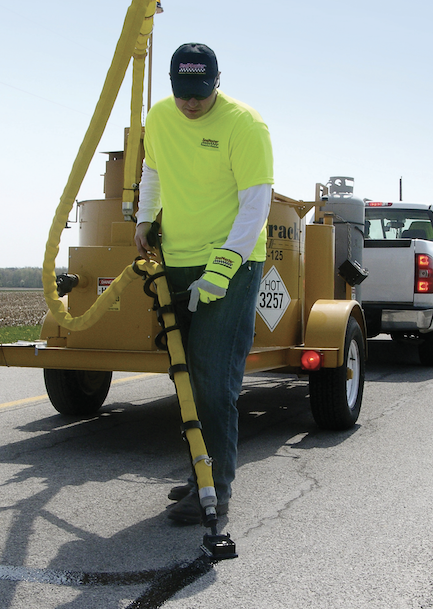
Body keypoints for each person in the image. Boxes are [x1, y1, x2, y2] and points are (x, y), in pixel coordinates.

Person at [134, 43, 273, 524]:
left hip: (231, 266)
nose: (191, 104)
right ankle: (200, 473)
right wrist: (144, 219)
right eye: (182, 94)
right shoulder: (160, 117)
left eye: (201, 93)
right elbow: (153, 171)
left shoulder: (244, 125)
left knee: (214, 383)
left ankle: (219, 488)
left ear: (217, 82)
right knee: (186, 376)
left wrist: (222, 269)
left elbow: (256, 206)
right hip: (177, 259)